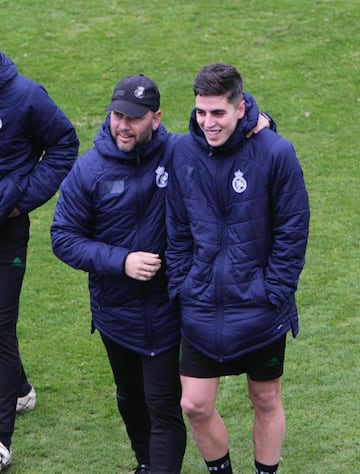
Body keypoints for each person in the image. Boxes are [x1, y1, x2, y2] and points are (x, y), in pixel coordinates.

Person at [50, 73, 273, 474]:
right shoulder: (89, 171)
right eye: (118, 115)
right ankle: (145, 463)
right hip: (115, 314)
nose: (123, 125)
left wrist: (261, 119)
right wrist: (120, 261)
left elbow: (224, 120)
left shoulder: (180, 152)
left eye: (134, 118)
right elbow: (63, 237)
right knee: (130, 399)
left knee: (165, 407)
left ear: (156, 119)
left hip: (169, 312)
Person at [165, 62, 310, 474]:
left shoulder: (275, 152)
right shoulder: (182, 153)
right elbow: (176, 226)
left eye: (218, 113)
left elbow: (293, 227)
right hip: (201, 302)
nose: (208, 122)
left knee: (265, 399)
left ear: (240, 108)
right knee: (194, 404)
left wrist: (274, 290)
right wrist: (183, 282)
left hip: (260, 306)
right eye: (201, 112)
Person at [0, 51, 79, 471]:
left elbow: (65, 144)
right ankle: (21, 389)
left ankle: (1, 438)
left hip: (6, 232)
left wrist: (21, 201)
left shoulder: (26, 96)